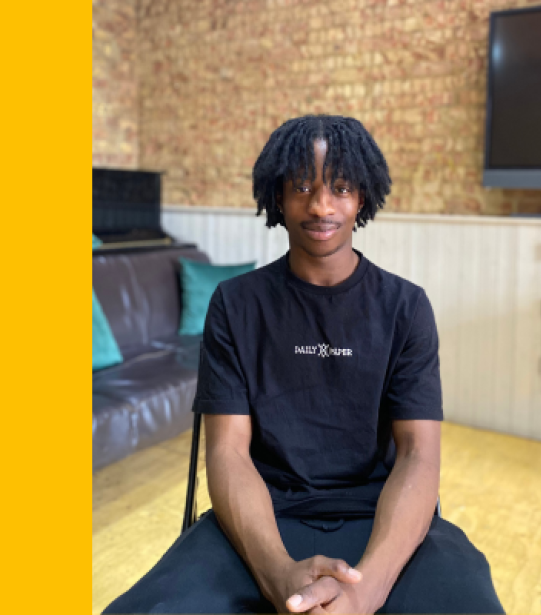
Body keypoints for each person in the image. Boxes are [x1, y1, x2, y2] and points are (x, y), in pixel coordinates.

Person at [103, 115, 505, 614]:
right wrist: (277, 574)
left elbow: (419, 457)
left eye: (338, 187)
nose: (320, 205)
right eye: (301, 187)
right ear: (278, 197)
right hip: (258, 520)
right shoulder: (235, 305)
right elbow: (228, 453)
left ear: (362, 197)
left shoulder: (405, 307)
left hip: (381, 517)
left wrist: (365, 590)